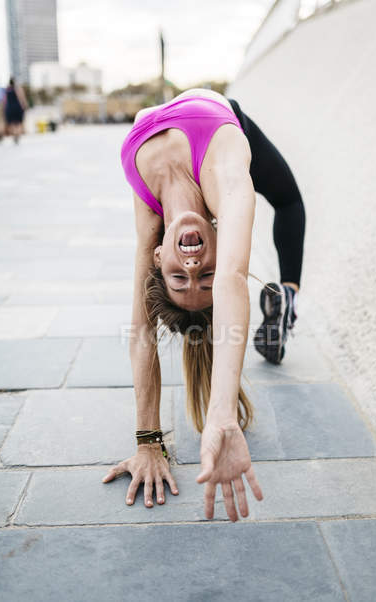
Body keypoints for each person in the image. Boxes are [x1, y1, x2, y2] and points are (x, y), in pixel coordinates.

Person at [102, 88, 305, 522]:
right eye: (205, 275)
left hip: (181, 122)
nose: (192, 263)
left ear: (160, 258)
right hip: (227, 120)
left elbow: (141, 331)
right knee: (288, 200)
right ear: (221, 242)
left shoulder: (150, 228)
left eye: (180, 276)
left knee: (286, 203)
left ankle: (282, 299)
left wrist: (147, 441)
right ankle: (287, 291)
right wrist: (221, 414)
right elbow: (233, 277)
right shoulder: (226, 181)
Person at [4, 77, 28, 143]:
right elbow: (21, 97)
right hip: (17, 107)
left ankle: (14, 134)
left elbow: (5, 100)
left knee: (12, 123)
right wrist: (24, 105)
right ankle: (17, 134)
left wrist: (5, 108)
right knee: (19, 122)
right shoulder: (17, 88)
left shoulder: (7, 89)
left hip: (9, 107)